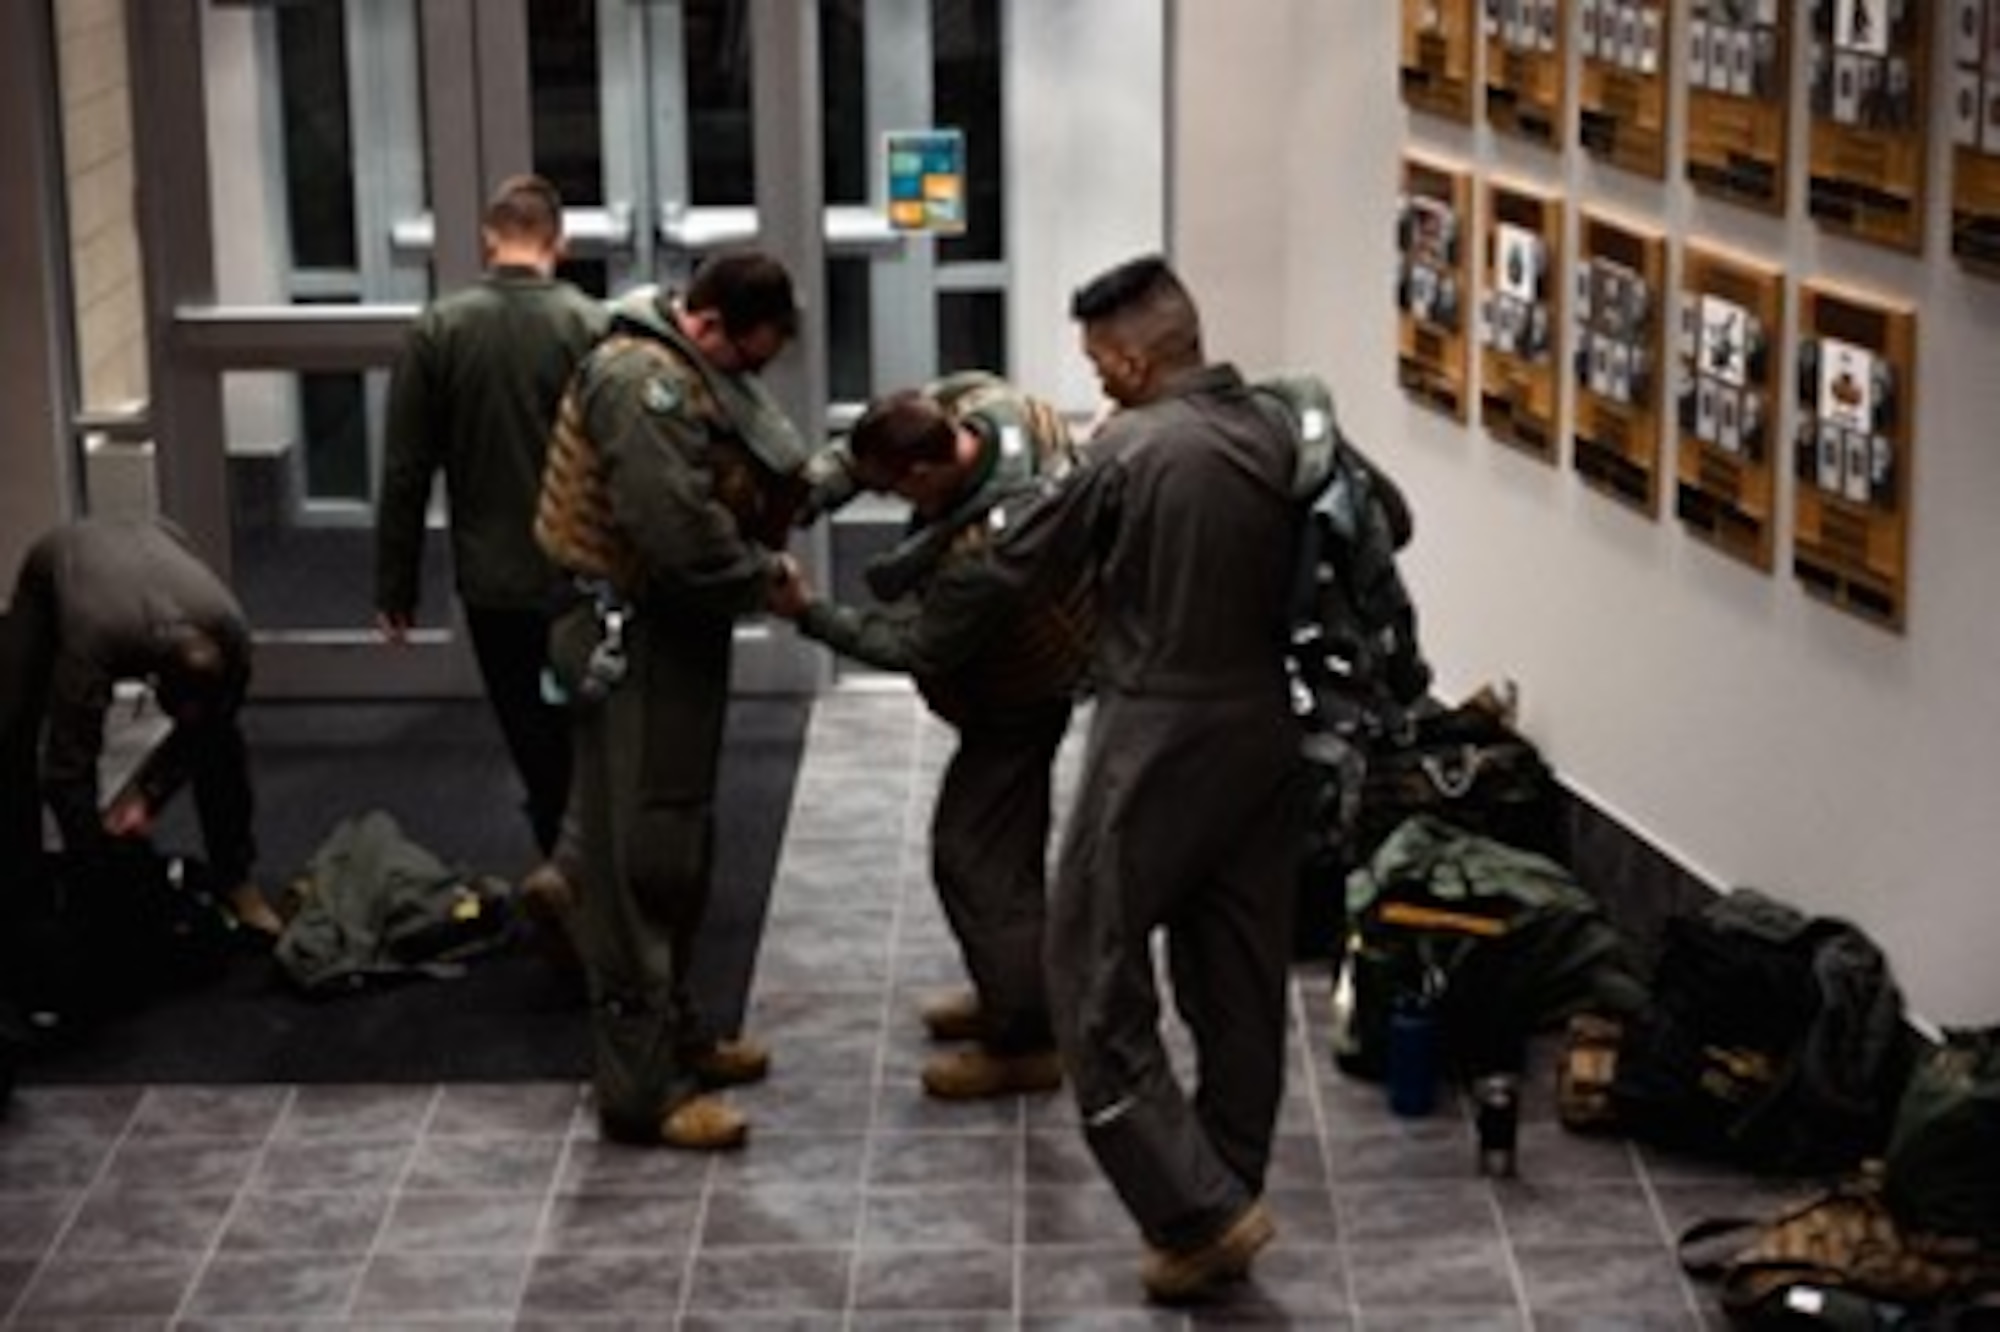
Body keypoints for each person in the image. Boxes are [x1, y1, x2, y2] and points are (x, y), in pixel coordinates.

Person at [981, 256, 1308, 1302]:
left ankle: (1195, 1208)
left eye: (1097, 361)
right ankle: (1226, 1185)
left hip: (1152, 732)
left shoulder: (1126, 446)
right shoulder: (1282, 425)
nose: (1097, 378)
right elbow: (1382, 524)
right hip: (1264, 726)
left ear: (1129, 354)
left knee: (1089, 969)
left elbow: (1020, 558)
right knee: (1237, 971)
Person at [533, 250, 809, 1151]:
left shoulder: (684, 368)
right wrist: (759, 574)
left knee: (674, 841)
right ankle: (641, 1091)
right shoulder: (638, 383)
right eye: (749, 357)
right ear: (709, 324)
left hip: (671, 629)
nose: (750, 378)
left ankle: (678, 1035)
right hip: (632, 636)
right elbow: (673, 528)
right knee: (626, 868)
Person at [770, 373, 1093, 1101]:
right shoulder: (1000, 406)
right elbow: (895, 429)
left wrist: (807, 612)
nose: (892, 501)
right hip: (1043, 669)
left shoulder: (982, 558)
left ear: (925, 470)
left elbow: (916, 647)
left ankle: (1026, 1045)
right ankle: (1013, 994)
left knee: (973, 860)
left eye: (894, 490)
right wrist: (812, 491)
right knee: (1008, 854)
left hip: (1019, 694)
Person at [373, 173, 608, 864]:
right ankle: (595, 867)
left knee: (527, 729)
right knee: (589, 724)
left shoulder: (439, 329)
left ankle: (556, 861)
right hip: (581, 570)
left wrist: (396, 586)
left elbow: (406, 470)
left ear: (487, 239)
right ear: (558, 243)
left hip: (492, 575)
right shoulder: (591, 326)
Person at [2, 517, 282, 936]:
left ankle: (235, 879)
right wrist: (98, 868)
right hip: (60, 561)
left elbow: (211, 729)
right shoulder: (94, 641)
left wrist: (145, 796)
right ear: (156, 681)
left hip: (158, 544)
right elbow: (66, 771)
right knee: (11, 731)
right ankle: (21, 893)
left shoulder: (233, 637)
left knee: (220, 743)